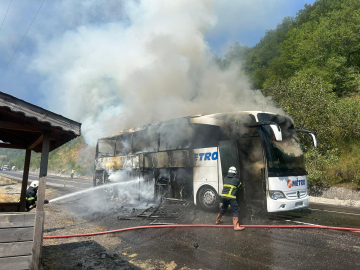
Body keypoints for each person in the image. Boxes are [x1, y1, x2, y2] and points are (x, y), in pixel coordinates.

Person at [215, 166, 245, 231]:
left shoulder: (225, 179)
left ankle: (217, 220)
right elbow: (240, 187)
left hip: (224, 196)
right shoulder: (236, 180)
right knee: (236, 209)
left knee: (224, 208)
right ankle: (236, 226)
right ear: (234, 173)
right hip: (231, 197)